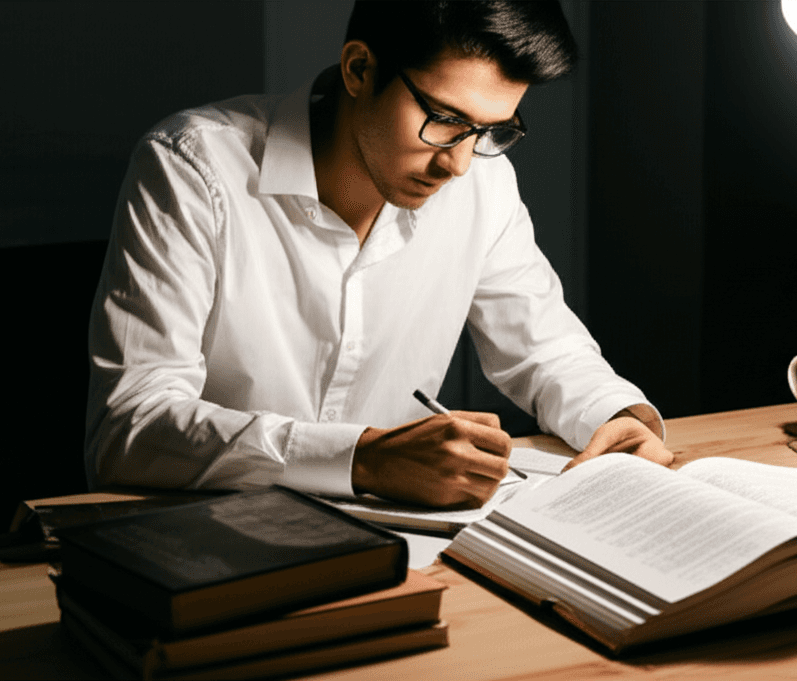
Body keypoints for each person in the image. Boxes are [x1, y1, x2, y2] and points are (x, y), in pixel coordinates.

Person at [85, 0, 673, 508]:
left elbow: (546, 351)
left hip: (401, 533)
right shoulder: (194, 166)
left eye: (490, 130)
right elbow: (130, 427)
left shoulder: (482, 185)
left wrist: (616, 417)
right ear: (360, 69)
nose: (458, 164)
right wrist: (362, 458)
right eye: (444, 120)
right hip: (203, 533)